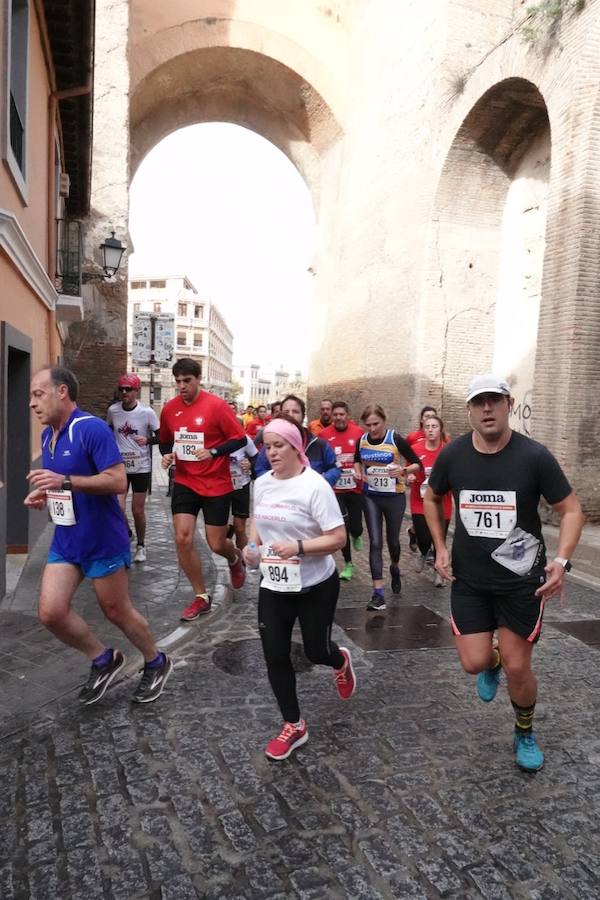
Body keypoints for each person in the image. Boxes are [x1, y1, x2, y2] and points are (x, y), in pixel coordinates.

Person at [424, 373, 584, 772]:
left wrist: (561, 561)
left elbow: (572, 510)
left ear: (509, 404)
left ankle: (524, 731)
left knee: (518, 667)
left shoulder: (534, 456)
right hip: (470, 579)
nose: (487, 409)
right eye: (479, 402)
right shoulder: (453, 455)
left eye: (494, 400)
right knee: (473, 663)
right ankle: (490, 659)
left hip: (521, 578)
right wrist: (441, 547)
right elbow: (431, 497)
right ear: (469, 411)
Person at [25, 366, 173, 705]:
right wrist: (45, 494)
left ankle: (156, 660)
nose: (32, 403)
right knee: (51, 612)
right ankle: (104, 659)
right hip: (67, 538)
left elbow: (118, 481)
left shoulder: (90, 429)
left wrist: (64, 482)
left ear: (62, 392)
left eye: (38, 394)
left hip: (102, 537)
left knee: (116, 610)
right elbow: (63, 481)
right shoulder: (48, 435)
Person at [243, 415, 354, 760]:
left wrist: (300, 548)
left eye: (279, 446)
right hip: (274, 584)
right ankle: (294, 724)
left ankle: (339, 660)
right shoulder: (261, 483)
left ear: (296, 447)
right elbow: (255, 523)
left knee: (315, 651)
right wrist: (250, 546)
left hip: (315, 584)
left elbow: (338, 538)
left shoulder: (315, 486)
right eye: (267, 446)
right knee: (274, 654)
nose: (271, 453)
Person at [159, 358, 248, 621]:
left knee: (216, 543)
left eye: (187, 381)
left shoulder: (217, 406)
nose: (182, 386)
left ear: (199, 379)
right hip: (186, 481)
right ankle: (201, 596)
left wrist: (213, 451)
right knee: (182, 538)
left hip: (216, 483)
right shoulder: (170, 409)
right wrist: (167, 457)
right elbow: (165, 442)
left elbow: (239, 439)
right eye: (178, 382)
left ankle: (234, 559)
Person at [354, 404, 422, 610]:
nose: (373, 429)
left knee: (393, 541)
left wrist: (403, 469)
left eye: (376, 424)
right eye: (368, 425)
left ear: (384, 420)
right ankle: (378, 594)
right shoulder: (362, 440)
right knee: (375, 542)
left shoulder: (395, 439)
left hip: (394, 497)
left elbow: (416, 463)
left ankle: (394, 566)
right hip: (371, 496)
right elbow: (357, 460)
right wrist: (358, 471)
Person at [107, 374, 159, 563]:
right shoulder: (113, 410)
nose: (124, 393)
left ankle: (141, 545)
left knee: (137, 510)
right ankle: (127, 533)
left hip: (141, 467)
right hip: (120, 467)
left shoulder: (147, 413)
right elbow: (108, 431)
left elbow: (162, 436)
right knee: (118, 506)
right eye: (121, 389)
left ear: (136, 391)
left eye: (128, 389)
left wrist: (148, 440)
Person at [320, 401, 365, 581]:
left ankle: (357, 534)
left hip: (355, 487)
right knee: (343, 527)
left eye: (342, 414)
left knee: (356, 526)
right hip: (335, 490)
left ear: (348, 415)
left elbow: (365, 456)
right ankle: (348, 563)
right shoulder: (324, 435)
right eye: (335, 414)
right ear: (332, 416)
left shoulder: (359, 433)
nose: (338, 417)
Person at [255, 394, 340, 488]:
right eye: (286, 412)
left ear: (303, 416)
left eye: (295, 411)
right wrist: (278, 482)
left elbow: (334, 469)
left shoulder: (319, 444)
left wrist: (321, 481)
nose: (290, 415)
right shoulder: (270, 445)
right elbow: (260, 470)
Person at [407, 415, 452, 586]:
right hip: (420, 500)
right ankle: (422, 550)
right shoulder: (415, 449)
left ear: (440, 429)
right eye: (427, 427)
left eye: (434, 426)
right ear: (423, 430)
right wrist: (410, 475)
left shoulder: (448, 451)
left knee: (439, 538)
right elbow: (409, 470)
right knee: (425, 538)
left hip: (443, 502)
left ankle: (439, 571)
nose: (431, 430)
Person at [406, 405, 438, 553]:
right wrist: (409, 474)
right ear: (421, 420)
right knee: (421, 523)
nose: (429, 420)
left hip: (435, 490)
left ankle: (426, 547)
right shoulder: (413, 438)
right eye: (426, 417)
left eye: (432, 416)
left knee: (432, 523)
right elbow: (408, 456)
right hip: (419, 488)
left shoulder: (443, 440)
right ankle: (416, 533)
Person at [229, 436, 258, 550]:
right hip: (218, 486)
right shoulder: (213, 436)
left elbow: (256, 457)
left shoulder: (244, 439)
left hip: (241, 484)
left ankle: (244, 562)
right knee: (218, 529)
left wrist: (250, 464)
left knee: (240, 528)